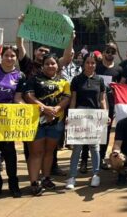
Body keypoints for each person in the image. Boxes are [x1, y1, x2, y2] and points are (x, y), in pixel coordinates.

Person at [24, 53, 71, 196]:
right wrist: (44, 108)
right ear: (43, 66)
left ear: (57, 65)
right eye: (47, 64)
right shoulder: (33, 79)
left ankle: (46, 178)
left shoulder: (64, 81)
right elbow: (28, 96)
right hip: (36, 122)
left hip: (56, 122)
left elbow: (67, 97)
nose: (50, 66)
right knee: (35, 153)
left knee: (49, 152)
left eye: (53, 63)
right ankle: (33, 183)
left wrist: (57, 109)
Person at [65, 53, 108, 190]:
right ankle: (72, 177)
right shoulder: (77, 80)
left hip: (95, 115)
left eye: (93, 63)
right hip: (79, 114)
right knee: (77, 147)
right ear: (83, 64)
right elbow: (73, 99)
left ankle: (95, 175)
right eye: (88, 62)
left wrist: (105, 114)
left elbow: (102, 99)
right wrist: (69, 115)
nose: (90, 65)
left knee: (94, 147)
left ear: (96, 64)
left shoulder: (99, 80)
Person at [0, 46, 25, 198]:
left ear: (16, 58)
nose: (9, 58)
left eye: (12, 56)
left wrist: (27, 109)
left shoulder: (20, 76)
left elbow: (17, 99)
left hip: (8, 121)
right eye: (6, 55)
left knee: (10, 154)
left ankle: (14, 185)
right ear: (1, 56)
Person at [95, 43, 123, 170]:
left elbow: (122, 87)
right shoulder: (97, 67)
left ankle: (100, 158)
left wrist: (115, 87)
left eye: (113, 51)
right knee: (93, 131)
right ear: (103, 52)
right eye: (108, 51)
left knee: (105, 132)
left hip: (110, 104)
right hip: (95, 103)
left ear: (115, 54)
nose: (110, 53)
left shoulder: (118, 69)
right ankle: (86, 159)